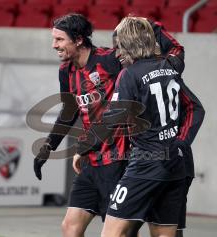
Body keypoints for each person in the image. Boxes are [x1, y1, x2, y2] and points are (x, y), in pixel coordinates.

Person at [99, 17, 205, 237]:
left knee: (111, 233)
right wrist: (181, 142)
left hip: (145, 164)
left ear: (130, 44)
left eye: (119, 46)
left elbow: (113, 120)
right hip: (176, 164)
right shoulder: (169, 67)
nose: (115, 53)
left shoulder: (129, 74)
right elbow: (195, 108)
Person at [33, 13, 129, 237]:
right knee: (70, 226)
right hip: (91, 160)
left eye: (59, 40)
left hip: (118, 159)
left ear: (78, 39)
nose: (54, 45)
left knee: (119, 232)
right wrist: (47, 148)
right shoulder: (66, 71)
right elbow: (68, 112)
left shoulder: (109, 60)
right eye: (54, 39)